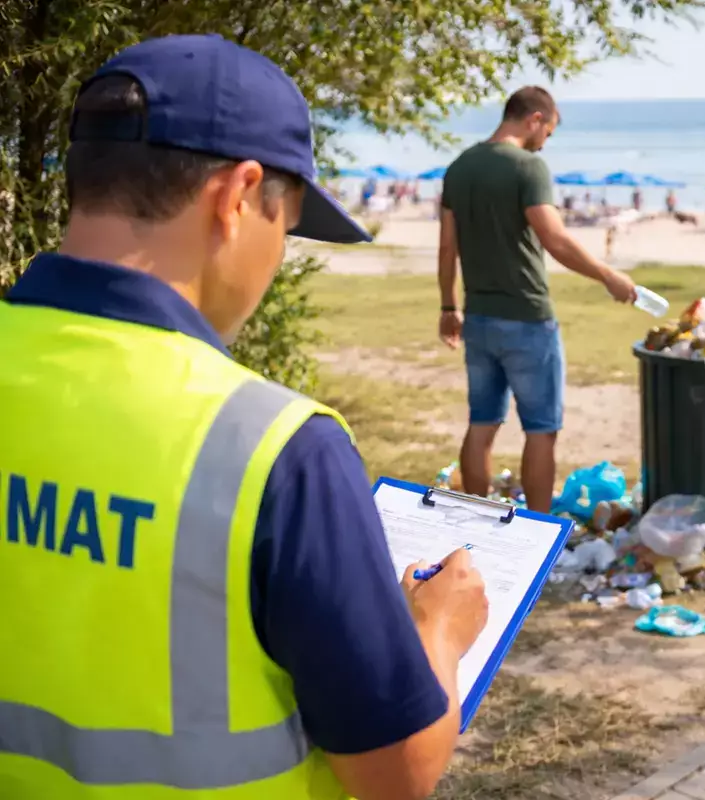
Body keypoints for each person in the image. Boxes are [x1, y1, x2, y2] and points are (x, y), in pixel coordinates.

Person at [0, 35, 490, 800]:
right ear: (238, 196)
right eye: (286, 227)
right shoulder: (276, 450)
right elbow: (399, 773)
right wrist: (443, 631)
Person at [437, 87, 637, 513]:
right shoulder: (528, 168)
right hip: (527, 318)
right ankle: (537, 534)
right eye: (549, 130)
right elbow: (556, 239)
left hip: (478, 318)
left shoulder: (459, 168)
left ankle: (476, 522)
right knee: (542, 430)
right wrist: (608, 276)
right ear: (535, 119)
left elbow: (446, 248)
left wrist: (447, 307)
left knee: (481, 424)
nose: (547, 140)